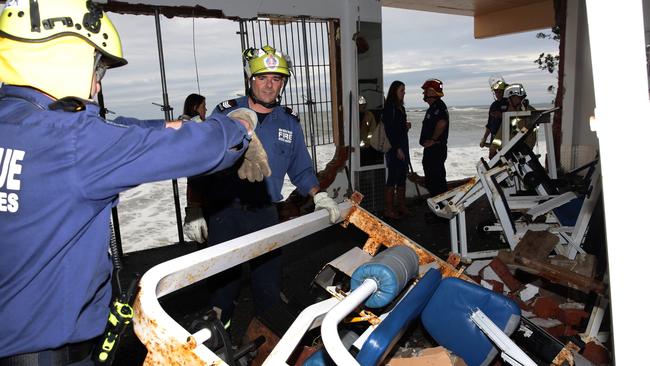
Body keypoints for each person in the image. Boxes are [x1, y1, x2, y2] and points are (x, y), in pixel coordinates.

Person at [0, 0, 270, 363]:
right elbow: (197, 149)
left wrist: (183, 125)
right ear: (65, 56)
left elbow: (125, 131)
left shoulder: (19, 123)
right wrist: (241, 124)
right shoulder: (70, 140)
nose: (96, 85)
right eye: (97, 68)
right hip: (48, 350)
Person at [182, 45, 340, 325]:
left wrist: (320, 196)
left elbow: (302, 170)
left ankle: (268, 341)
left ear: (283, 83)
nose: (269, 85)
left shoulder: (289, 123)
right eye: (262, 77)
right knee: (222, 287)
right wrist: (194, 209)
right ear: (250, 80)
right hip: (225, 213)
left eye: (276, 78)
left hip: (265, 214)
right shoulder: (225, 114)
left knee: (268, 284)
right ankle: (218, 342)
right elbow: (200, 162)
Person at [382, 80, 412, 219]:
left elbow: (397, 127)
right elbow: (389, 131)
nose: (404, 93)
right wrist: (397, 148)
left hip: (402, 146)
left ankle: (401, 205)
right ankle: (389, 209)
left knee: (401, 177)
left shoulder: (401, 107)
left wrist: (405, 126)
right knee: (392, 177)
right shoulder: (389, 107)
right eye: (401, 90)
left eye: (404, 90)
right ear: (394, 91)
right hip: (395, 148)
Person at [419, 78, 449, 197]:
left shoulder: (439, 107)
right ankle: (437, 209)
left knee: (437, 180)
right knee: (432, 179)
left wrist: (433, 140)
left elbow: (442, 123)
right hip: (433, 149)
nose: (424, 93)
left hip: (436, 149)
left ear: (432, 92)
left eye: (426, 90)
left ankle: (441, 210)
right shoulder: (434, 107)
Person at [490, 83, 536, 154]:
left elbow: (528, 136)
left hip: (521, 153)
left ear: (516, 97)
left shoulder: (528, 112)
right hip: (512, 152)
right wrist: (493, 147)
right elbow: (501, 132)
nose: (508, 101)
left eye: (509, 98)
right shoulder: (511, 112)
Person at [480, 79, 509, 159]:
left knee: (506, 157)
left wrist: (502, 115)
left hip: (507, 136)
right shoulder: (494, 105)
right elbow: (489, 124)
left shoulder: (509, 103)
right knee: (492, 157)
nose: (498, 94)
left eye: (500, 92)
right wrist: (484, 138)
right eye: (496, 92)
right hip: (495, 136)